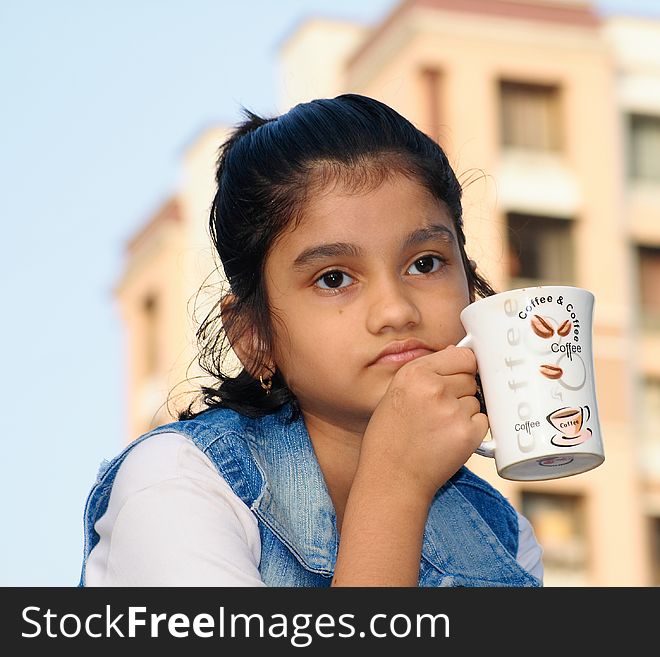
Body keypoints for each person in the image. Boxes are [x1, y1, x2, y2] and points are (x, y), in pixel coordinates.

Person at [78, 94, 544, 587]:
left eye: (424, 264)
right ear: (254, 337)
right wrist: (393, 488)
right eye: (334, 278)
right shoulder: (177, 484)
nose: (396, 311)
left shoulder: (502, 537)